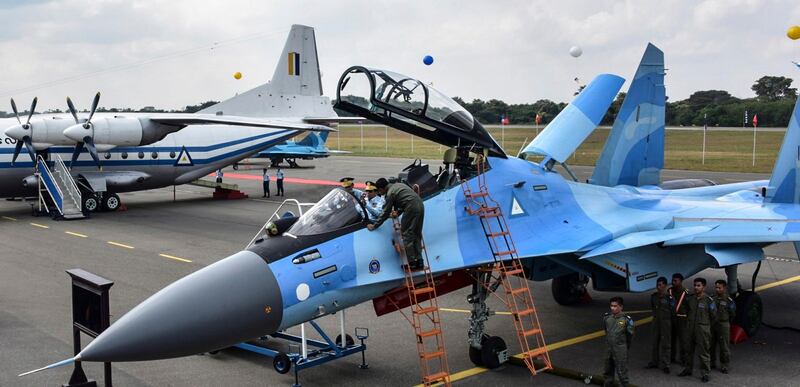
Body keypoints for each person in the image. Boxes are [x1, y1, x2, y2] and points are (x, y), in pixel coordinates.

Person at [367, 178, 425, 270]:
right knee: (416, 234)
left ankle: (412, 263)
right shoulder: (398, 185)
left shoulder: (390, 194)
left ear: (381, 189)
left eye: (379, 191)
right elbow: (407, 198)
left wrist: (374, 226)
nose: (379, 193)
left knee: (407, 235)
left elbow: (385, 213)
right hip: (420, 206)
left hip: (411, 209)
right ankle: (420, 261)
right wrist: (398, 212)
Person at [679, 277, 717, 383]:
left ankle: (705, 373)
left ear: (703, 287)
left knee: (703, 352)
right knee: (688, 350)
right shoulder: (690, 298)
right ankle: (688, 369)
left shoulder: (709, 301)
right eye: (695, 285)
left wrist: (706, 327)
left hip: (702, 329)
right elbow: (686, 310)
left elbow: (714, 317)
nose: (696, 287)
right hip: (690, 328)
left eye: (698, 285)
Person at [602, 296, 634, 387]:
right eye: (611, 306)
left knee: (622, 371)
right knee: (607, 370)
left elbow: (630, 335)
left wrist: (623, 346)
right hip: (609, 348)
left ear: (621, 307)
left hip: (620, 349)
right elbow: (606, 330)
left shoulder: (626, 320)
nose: (612, 308)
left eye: (615, 306)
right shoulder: (607, 318)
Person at [647, 276, 674, 374]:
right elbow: (653, 308)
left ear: (665, 286)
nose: (658, 287)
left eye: (661, 285)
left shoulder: (669, 298)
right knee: (654, 342)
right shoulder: (653, 297)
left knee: (666, 344)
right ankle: (654, 361)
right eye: (657, 285)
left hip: (666, 322)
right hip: (656, 322)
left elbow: (673, 310)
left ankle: (666, 364)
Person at [710, 279, 735, 374]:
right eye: (716, 287)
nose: (717, 289)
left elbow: (732, 313)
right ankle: (712, 362)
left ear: (724, 288)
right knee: (711, 344)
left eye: (719, 288)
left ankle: (724, 365)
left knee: (724, 346)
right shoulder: (712, 298)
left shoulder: (728, 300)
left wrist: (726, 322)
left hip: (723, 324)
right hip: (713, 324)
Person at [669, 273, 690, 366]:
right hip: (672, 318)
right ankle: (671, 357)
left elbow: (689, 307)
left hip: (682, 319)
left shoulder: (685, 293)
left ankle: (684, 359)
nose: (673, 283)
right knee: (671, 340)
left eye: (675, 281)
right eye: (672, 280)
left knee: (683, 341)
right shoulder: (669, 291)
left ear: (681, 282)